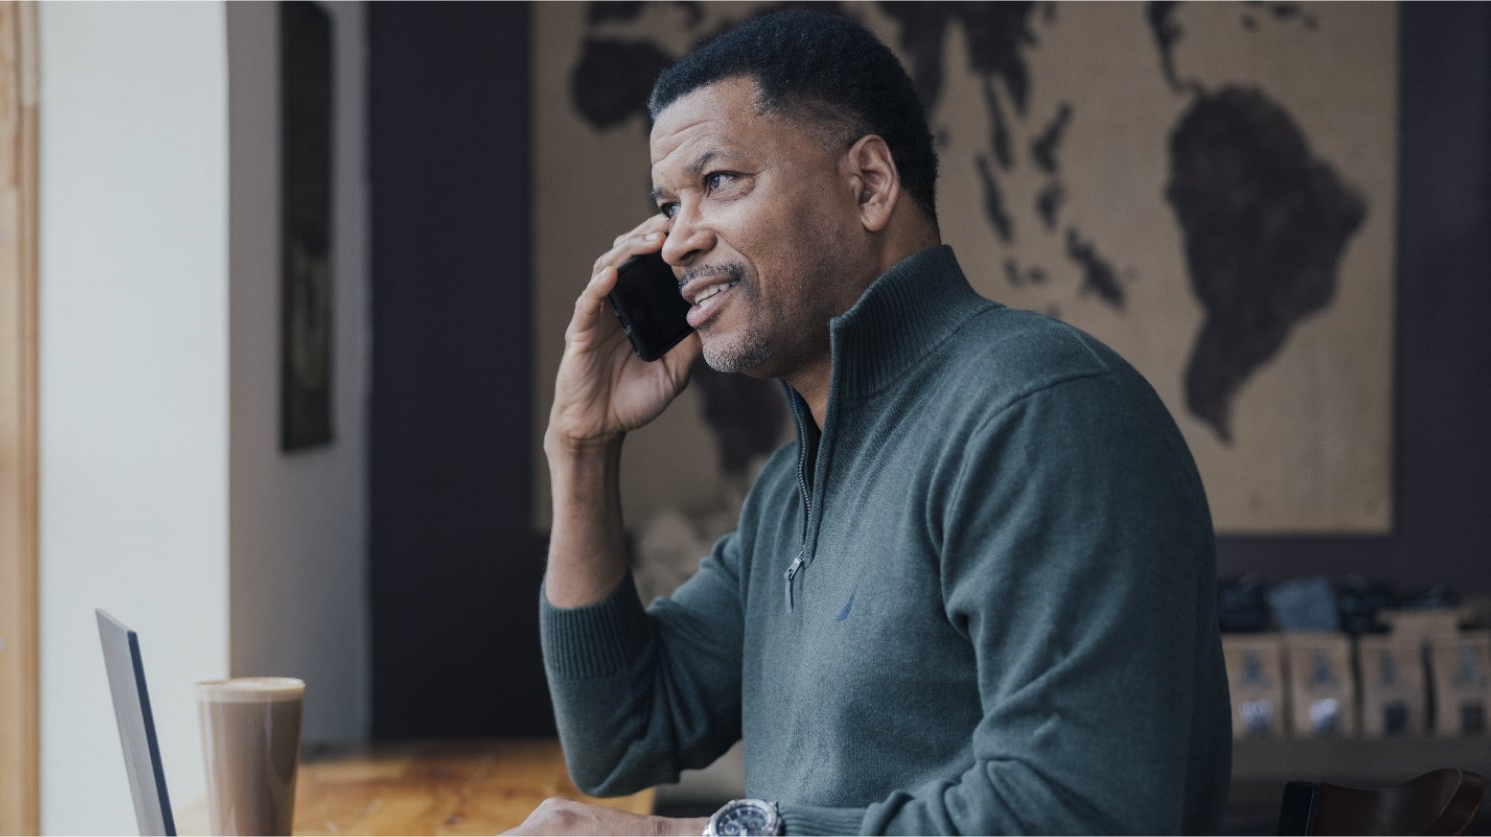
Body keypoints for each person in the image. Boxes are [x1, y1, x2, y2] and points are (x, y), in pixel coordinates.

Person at [510, 10, 1230, 837]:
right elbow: (623, 734)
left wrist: (697, 836)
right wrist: (583, 447)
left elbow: (1074, 813)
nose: (677, 240)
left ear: (869, 185)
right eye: (667, 205)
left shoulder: (1044, 411)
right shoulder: (789, 489)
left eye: (718, 181)